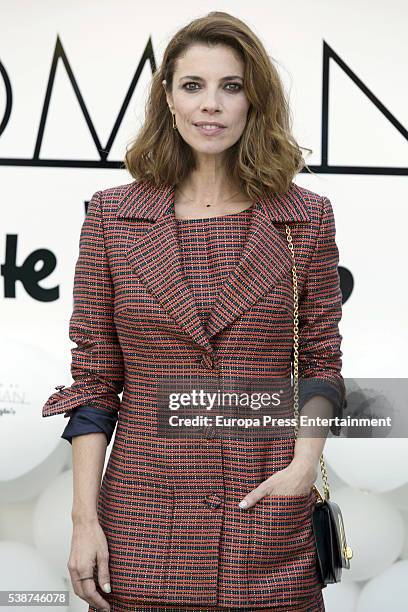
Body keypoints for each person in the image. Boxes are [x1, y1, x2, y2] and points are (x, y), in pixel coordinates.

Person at [42, 11, 346, 612]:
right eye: (193, 86)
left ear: (253, 100)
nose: (211, 105)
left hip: (265, 506)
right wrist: (84, 522)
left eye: (230, 87)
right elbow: (96, 383)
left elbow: (321, 362)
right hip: (141, 518)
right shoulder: (112, 217)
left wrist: (302, 468)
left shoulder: (304, 218)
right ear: (169, 98)